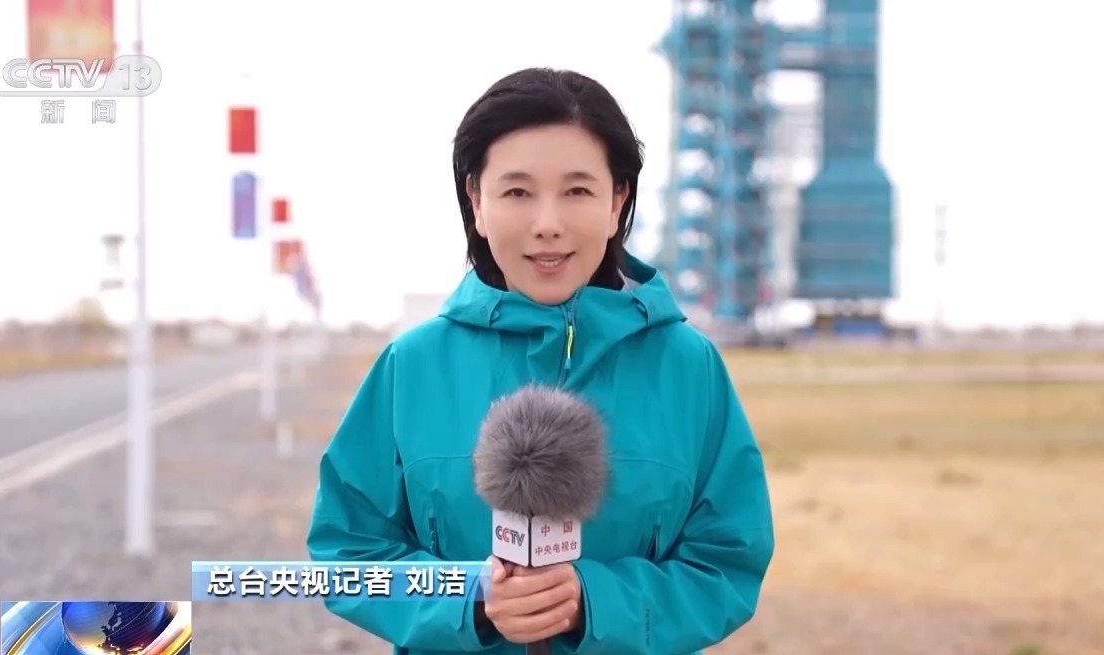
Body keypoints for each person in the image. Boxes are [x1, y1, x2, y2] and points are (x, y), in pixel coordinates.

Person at [306, 67, 775, 655]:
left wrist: (595, 603)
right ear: (476, 202)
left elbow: (726, 560)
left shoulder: (688, 367)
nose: (548, 225)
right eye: (517, 192)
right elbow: (348, 552)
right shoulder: (412, 366)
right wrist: (471, 600)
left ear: (617, 202)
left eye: (577, 191)